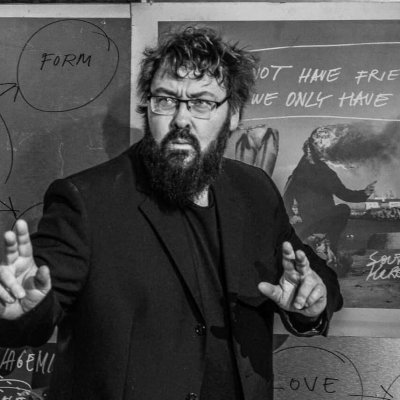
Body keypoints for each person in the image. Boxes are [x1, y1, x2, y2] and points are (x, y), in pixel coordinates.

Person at [0, 27, 343, 400]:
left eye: (201, 103)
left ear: (233, 115)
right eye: (165, 100)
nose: (181, 119)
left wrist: (313, 301)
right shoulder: (86, 200)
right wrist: (20, 310)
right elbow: (37, 306)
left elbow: (309, 274)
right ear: (148, 108)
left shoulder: (255, 190)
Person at [284, 124, 376, 253]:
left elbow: (343, 193)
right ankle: (324, 245)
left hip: (324, 219)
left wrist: (364, 193)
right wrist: (292, 215)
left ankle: (329, 246)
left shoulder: (326, 174)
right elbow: (286, 197)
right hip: (308, 221)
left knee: (343, 209)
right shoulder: (298, 175)